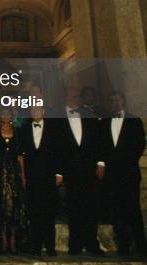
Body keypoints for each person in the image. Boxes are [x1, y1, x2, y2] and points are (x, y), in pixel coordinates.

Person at [57, 90, 105, 256]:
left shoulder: (88, 115)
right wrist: (59, 172)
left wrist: (100, 163)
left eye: (76, 96)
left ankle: (92, 243)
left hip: (88, 169)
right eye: (71, 96)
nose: (74, 99)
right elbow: (56, 148)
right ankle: (75, 245)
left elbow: (98, 140)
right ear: (65, 98)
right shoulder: (58, 118)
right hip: (70, 171)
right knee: (73, 208)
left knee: (91, 208)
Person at [100, 92, 147, 256]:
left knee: (133, 210)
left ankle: (141, 246)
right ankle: (123, 247)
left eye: (117, 100)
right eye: (111, 101)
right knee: (117, 211)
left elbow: (139, 145)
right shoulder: (104, 122)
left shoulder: (134, 121)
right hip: (112, 175)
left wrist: (124, 164)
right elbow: (103, 148)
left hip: (129, 174)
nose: (114, 103)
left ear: (123, 102)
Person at [20, 106, 61, 257]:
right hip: (32, 178)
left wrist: (59, 173)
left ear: (43, 112)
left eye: (38, 110)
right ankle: (35, 247)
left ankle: (50, 247)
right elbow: (22, 155)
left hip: (49, 176)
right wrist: (23, 175)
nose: (35, 112)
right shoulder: (24, 129)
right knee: (34, 213)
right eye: (33, 110)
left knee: (49, 213)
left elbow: (58, 153)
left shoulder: (53, 129)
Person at [0, 108, 27, 255]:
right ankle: (3, 238)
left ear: (12, 116)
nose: (6, 116)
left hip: (14, 174)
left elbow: (20, 157)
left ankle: (12, 238)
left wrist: (23, 175)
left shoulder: (18, 133)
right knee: (1, 206)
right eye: (3, 113)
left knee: (14, 207)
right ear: (0, 116)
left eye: (8, 113)